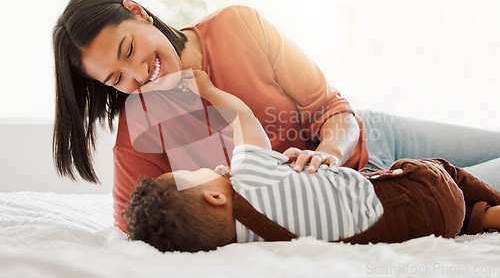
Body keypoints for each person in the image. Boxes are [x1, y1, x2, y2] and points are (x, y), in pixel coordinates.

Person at [53, 0, 500, 233]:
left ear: (138, 12)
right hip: (364, 197)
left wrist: (328, 152)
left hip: (373, 139)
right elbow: (137, 226)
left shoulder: (236, 25)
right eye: (116, 79)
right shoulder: (142, 124)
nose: (138, 75)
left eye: (129, 50)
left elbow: (331, 108)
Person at [123, 70, 500, 252]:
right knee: (442, 172)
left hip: (431, 226)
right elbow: (243, 119)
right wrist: (205, 88)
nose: (206, 168)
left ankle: (480, 218)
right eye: (194, 174)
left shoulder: (246, 243)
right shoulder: (249, 178)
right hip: (416, 192)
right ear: (215, 197)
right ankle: (490, 200)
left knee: (460, 213)